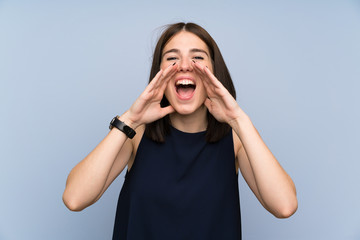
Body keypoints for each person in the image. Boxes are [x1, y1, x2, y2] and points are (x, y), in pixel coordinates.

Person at [62, 22, 297, 239]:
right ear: (159, 73)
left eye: (197, 57)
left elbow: (284, 206)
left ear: (213, 72)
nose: (185, 65)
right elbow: (74, 198)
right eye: (172, 58)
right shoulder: (136, 134)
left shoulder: (235, 139)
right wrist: (130, 119)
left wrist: (239, 119)